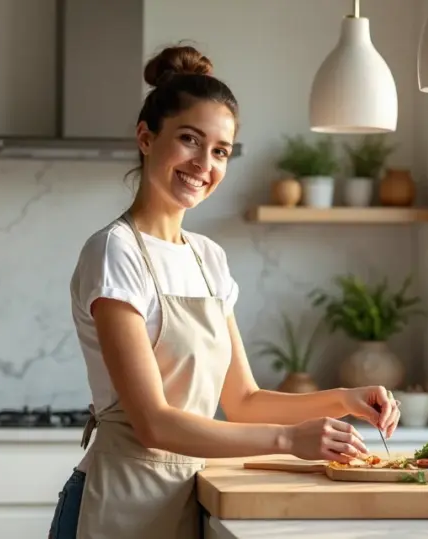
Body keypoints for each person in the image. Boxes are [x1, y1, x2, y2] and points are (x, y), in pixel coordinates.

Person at [48, 44, 401, 539]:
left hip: (187, 496)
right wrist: (288, 439)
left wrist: (344, 399)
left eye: (220, 151)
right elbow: (153, 424)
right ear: (146, 138)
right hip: (118, 501)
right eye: (189, 140)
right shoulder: (115, 252)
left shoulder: (207, 258)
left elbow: (244, 400)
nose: (203, 163)